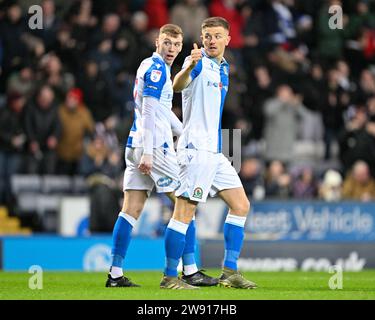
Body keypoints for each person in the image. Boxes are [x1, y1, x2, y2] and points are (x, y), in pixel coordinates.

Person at [106, 24, 217, 288]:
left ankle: (115, 273)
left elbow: (163, 111)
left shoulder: (152, 66)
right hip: (153, 149)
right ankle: (187, 271)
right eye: (167, 43)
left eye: (177, 45)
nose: (172, 49)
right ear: (157, 41)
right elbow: (150, 108)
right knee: (185, 203)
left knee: (130, 210)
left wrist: (183, 131)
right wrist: (148, 152)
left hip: (135, 145)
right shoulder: (157, 69)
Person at [161, 17, 257, 290]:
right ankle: (169, 277)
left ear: (228, 39)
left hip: (214, 152)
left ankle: (230, 272)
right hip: (195, 151)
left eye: (216, 36)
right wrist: (189, 65)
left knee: (241, 205)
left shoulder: (223, 68)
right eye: (206, 36)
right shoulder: (198, 62)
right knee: (184, 213)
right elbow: (178, 85)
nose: (211, 41)